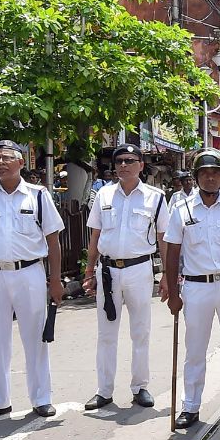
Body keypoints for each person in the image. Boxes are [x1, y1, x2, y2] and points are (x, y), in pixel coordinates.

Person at [0, 140, 64, 420]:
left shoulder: (38, 196)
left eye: (8, 157)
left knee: (35, 337)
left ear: (21, 162)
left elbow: (53, 241)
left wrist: (55, 281)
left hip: (30, 272)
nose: (1, 162)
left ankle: (41, 397)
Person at [163, 150, 220, 429]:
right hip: (196, 286)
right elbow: (172, 252)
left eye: (215, 173)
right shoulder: (182, 210)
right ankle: (190, 406)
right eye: (205, 173)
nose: (210, 178)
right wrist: (174, 293)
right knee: (195, 349)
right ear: (196, 177)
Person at [81, 145, 168, 411]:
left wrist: (165, 274)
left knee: (140, 331)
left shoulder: (156, 197)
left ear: (141, 165)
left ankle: (140, 387)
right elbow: (95, 236)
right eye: (119, 161)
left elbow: (163, 238)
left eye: (130, 161)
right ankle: (104, 390)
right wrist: (88, 271)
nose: (123, 165)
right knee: (106, 333)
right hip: (107, 271)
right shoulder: (104, 195)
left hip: (139, 269)